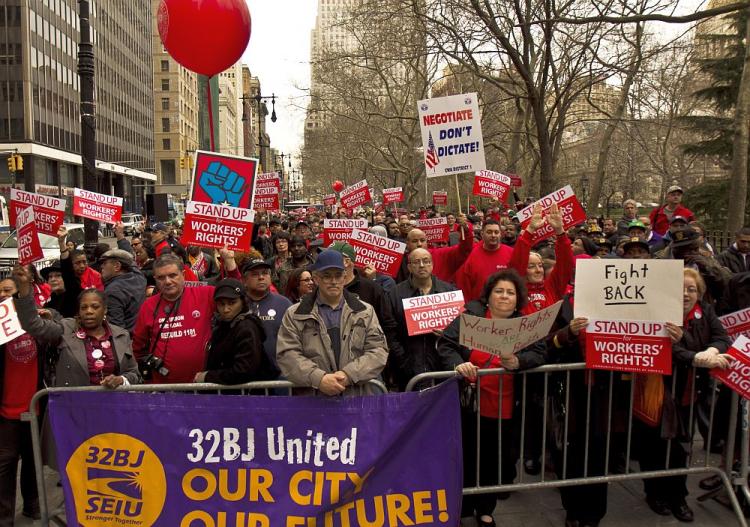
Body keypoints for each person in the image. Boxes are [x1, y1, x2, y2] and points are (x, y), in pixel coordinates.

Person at [437, 269, 547, 526]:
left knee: (494, 459)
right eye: (499, 291)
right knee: (466, 456)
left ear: (518, 298)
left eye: (510, 292)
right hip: (469, 404)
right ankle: (462, 507)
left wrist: (519, 361)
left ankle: (486, 508)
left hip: (506, 406)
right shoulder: (470, 317)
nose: (504, 296)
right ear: (488, 296)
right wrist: (458, 365)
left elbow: (540, 354)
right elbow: (446, 345)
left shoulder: (525, 325)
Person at [635, 268, 732, 522]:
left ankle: (678, 497)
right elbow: (669, 350)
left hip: (688, 394)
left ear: (699, 293)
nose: (687, 293)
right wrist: (695, 356)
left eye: (692, 289)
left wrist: (711, 350)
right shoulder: (657, 314)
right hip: (658, 392)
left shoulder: (706, 312)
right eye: (682, 288)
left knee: (681, 448)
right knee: (654, 446)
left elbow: (722, 337)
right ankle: (654, 493)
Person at [276, 249, 388, 396]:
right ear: (316, 278)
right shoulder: (295, 314)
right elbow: (287, 354)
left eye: (338, 275)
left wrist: (348, 375)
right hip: (313, 401)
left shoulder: (365, 311)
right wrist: (319, 379)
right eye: (327, 276)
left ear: (345, 276)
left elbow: (378, 351)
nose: (333, 281)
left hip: (357, 398)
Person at [13, 265, 140, 389]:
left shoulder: (121, 334)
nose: (89, 311)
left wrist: (121, 380)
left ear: (105, 310)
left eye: (95, 307)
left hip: (112, 405)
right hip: (73, 405)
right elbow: (32, 324)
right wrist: (24, 290)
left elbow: (134, 374)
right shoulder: (65, 328)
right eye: (83, 307)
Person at [132, 251, 239, 384]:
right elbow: (138, 347)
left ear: (183, 275)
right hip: (164, 386)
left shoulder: (205, 294)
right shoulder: (148, 306)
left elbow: (236, 294)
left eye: (172, 275)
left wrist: (229, 262)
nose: (167, 281)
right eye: (161, 278)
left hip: (202, 384)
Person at [0, 277, 42, 523]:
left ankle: (33, 505)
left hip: (35, 408)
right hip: (7, 412)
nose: (3, 295)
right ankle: (4, 516)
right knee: (4, 465)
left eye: (7, 290)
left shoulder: (38, 324)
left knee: (33, 461)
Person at [389, 248, 457, 390]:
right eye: (416, 262)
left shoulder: (449, 291)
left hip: (442, 365)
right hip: (409, 368)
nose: (421, 265)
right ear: (409, 267)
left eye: (426, 261)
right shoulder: (394, 293)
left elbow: (459, 331)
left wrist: (447, 333)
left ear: (432, 264)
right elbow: (390, 332)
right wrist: (403, 361)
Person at [193, 279, 276, 385]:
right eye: (221, 304)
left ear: (243, 301)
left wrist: (207, 377)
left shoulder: (247, 327)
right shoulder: (222, 325)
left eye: (232, 303)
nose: (226, 309)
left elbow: (244, 371)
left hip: (248, 397)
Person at [242, 259, 290, 376]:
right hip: (244, 376)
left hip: (279, 376)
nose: (261, 277)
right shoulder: (238, 305)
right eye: (255, 274)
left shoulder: (284, 304)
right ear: (245, 281)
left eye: (265, 273)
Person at [455, 219, 522, 302]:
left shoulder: (511, 253)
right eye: (489, 232)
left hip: (505, 305)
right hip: (479, 308)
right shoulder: (472, 255)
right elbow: (465, 286)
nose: (493, 235)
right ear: (482, 234)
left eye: (496, 232)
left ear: (501, 234)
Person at [394, 217, 473, 284]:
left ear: (427, 241)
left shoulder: (440, 254)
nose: (419, 244)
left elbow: (464, 250)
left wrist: (466, 231)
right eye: (414, 241)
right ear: (407, 244)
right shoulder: (399, 260)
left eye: (422, 240)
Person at [98, 249, 147, 331]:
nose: (101, 267)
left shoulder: (113, 291)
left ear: (117, 266)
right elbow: (133, 265)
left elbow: (116, 329)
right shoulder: (139, 277)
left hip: (128, 339)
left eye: (105, 263)